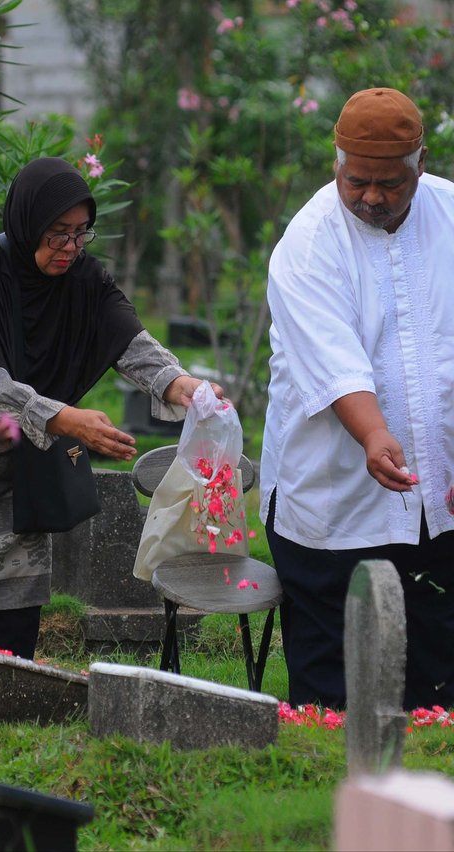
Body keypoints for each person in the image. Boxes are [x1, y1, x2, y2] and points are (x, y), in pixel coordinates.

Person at [0, 156, 222, 660]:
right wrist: (61, 417)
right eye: (57, 233)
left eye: (81, 233)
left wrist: (184, 385)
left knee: (6, 650)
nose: (69, 247)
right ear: (25, 223)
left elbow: (130, 342)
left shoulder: (81, 281)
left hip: (18, 485)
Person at [260, 87, 454, 712]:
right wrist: (373, 435)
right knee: (332, 692)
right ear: (336, 164)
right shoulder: (309, 241)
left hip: (438, 501)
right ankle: (323, 803)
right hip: (334, 502)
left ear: (419, 165)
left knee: (437, 678)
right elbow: (333, 361)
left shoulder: (451, 214)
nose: (370, 196)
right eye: (356, 181)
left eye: (388, 184)